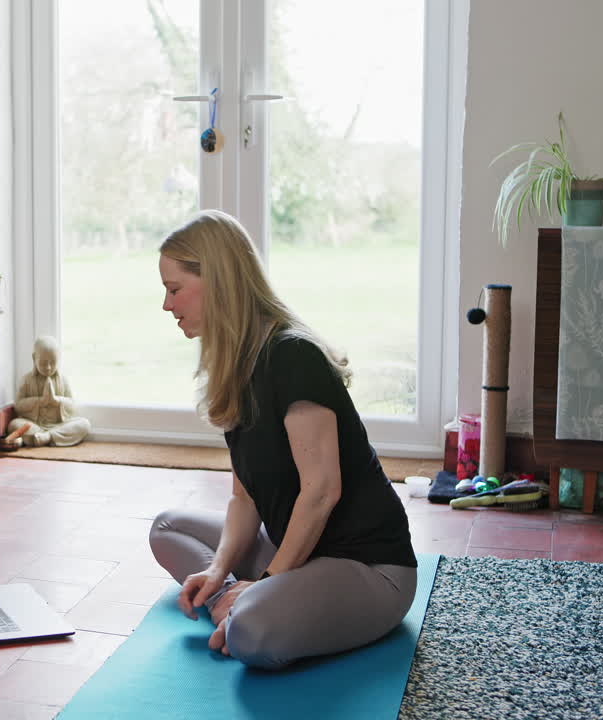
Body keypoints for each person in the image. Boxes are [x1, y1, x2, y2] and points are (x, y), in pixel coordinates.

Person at [149, 209, 417, 670]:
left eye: (174, 290)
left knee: (251, 633)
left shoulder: (294, 356)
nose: (167, 305)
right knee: (168, 529)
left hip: (367, 567)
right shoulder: (234, 366)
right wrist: (217, 573)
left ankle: (250, 607)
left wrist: (263, 582)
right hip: (300, 552)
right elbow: (243, 498)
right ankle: (240, 600)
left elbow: (321, 492)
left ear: (219, 282)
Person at [0, 335, 91, 448]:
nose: (48, 367)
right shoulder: (27, 380)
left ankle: (46, 437)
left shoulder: (63, 380)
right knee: (14, 425)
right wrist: (39, 401)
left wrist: (56, 401)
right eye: (43, 363)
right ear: (34, 358)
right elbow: (18, 406)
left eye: (52, 362)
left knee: (84, 424)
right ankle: (48, 437)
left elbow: (72, 405)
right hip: (35, 425)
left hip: (59, 425)